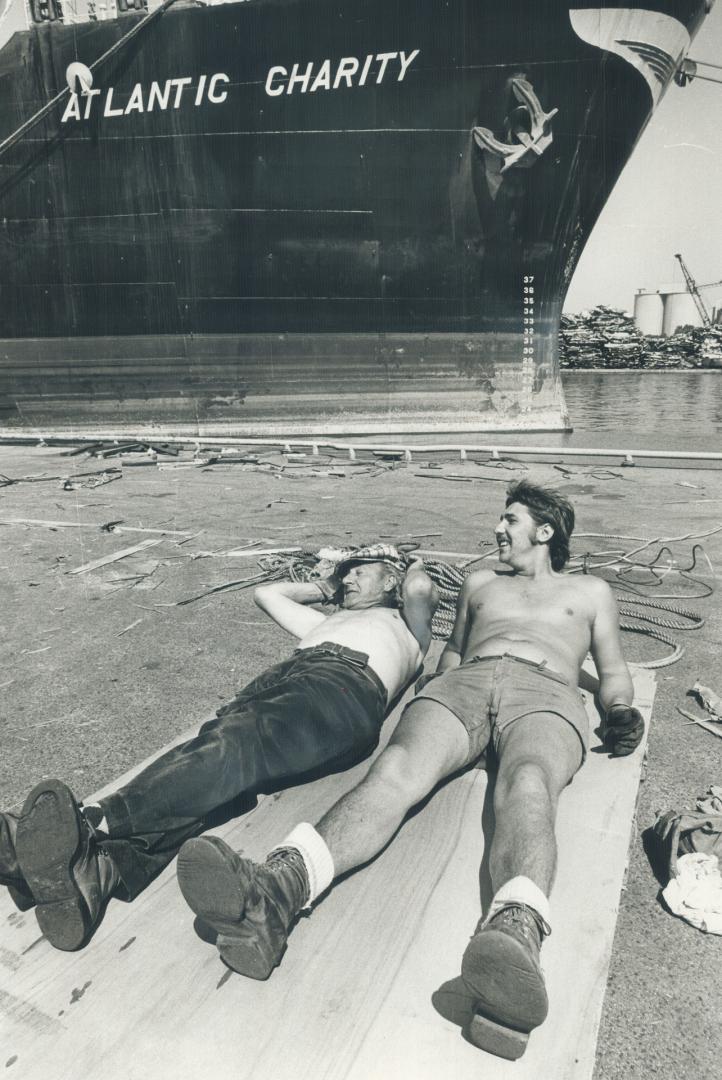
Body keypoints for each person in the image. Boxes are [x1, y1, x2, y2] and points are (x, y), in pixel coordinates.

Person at [176, 480, 645, 1061]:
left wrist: (619, 710)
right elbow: (452, 652)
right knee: (395, 769)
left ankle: (513, 937)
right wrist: (425, 686)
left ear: (544, 532)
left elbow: (614, 668)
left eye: (510, 519)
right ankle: (275, 890)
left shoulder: (591, 591)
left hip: (546, 691)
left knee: (527, 785)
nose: (498, 529)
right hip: (465, 684)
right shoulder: (479, 583)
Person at [0, 544, 437, 954]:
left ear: (391, 582)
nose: (348, 579)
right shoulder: (327, 621)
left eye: (361, 572)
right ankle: (98, 872)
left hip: (342, 686)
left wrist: (404, 563)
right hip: (288, 676)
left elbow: (419, 588)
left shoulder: (410, 630)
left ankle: (90, 825)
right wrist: (324, 587)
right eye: (346, 575)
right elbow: (267, 594)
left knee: (234, 745)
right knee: (211, 764)